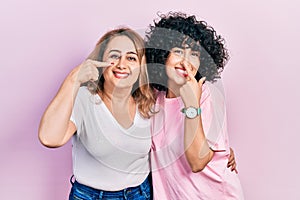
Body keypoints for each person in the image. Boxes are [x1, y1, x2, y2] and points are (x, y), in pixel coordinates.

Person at [38, 27, 156, 200]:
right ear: (100, 62)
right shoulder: (84, 99)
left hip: (140, 194)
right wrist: (73, 79)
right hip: (90, 196)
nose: (121, 64)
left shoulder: (149, 102)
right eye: (114, 56)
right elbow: (50, 139)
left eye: (131, 57)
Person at [145, 12, 244, 199]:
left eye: (195, 54)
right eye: (179, 51)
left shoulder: (207, 95)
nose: (186, 61)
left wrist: (191, 103)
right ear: (163, 54)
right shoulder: (154, 98)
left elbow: (197, 161)